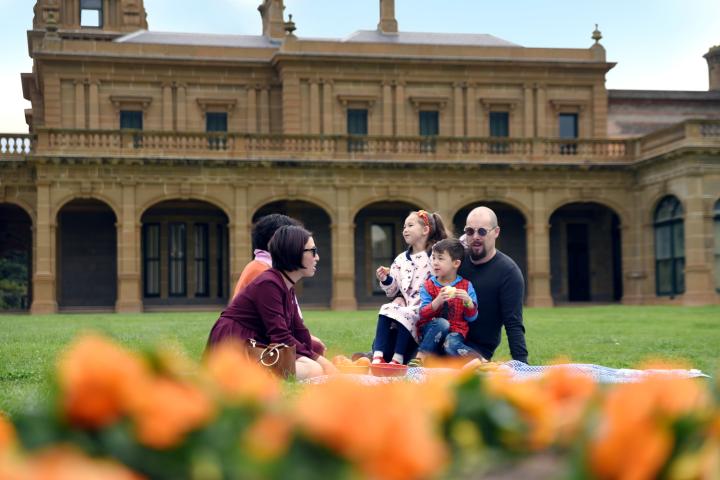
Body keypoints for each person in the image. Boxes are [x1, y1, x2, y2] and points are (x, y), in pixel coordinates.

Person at [206, 225, 337, 379]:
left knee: (315, 360)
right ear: (293, 253)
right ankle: (245, 375)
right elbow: (280, 336)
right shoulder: (268, 283)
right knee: (313, 369)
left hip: (255, 341)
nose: (317, 257)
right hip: (235, 344)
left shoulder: (285, 284)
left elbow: (298, 330)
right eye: (312, 251)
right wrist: (321, 362)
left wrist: (316, 354)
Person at [231, 213, 326, 356]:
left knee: (314, 347)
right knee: (312, 355)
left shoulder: (277, 273)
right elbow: (274, 328)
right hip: (252, 342)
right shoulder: (264, 273)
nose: (316, 257)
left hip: (265, 336)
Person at [372, 210, 450, 365]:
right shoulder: (400, 260)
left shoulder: (436, 257)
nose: (405, 230)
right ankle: (377, 355)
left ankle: (400, 358)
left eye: (410, 225)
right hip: (405, 310)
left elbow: (446, 279)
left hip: (426, 314)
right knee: (387, 308)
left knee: (409, 315)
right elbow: (393, 291)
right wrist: (386, 279)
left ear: (425, 230)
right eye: (403, 227)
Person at [458, 206, 528, 364]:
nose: (475, 236)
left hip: (477, 350)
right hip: (441, 339)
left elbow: (513, 323)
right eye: (470, 231)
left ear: (496, 232)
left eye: (482, 231)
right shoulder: (457, 261)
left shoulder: (508, 272)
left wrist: (523, 365)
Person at [412, 238, 479, 365]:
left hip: (455, 333)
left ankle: (479, 361)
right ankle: (420, 358)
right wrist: (437, 302)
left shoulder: (466, 286)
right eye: (434, 258)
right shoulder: (427, 286)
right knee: (442, 323)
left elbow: (472, 318)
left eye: (441, 258)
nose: (435, 263)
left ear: (456, 263)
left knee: (451, 344)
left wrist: (468, 302)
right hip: (431, 333)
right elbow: (422, 314)